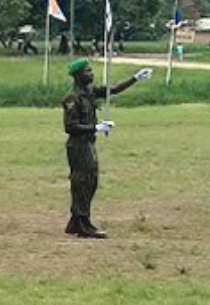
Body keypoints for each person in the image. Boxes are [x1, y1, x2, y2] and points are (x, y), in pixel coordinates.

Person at [62, 58, 152, 239]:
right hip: (78, 145)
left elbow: (113, 90)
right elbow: (70, 127)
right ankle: (83, 223)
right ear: (78, 76)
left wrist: (135, 78)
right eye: (87, 71)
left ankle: (75, 222)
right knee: (83, 183)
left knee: (91, 182)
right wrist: (96, 127)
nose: (91, 74)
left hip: (88, 143)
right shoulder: (73, 98)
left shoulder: (89, 92)